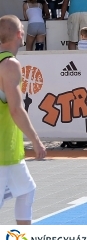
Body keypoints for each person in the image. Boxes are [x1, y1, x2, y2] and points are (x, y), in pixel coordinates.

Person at [0, 15, 47, 224]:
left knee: (27, 191)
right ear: (20, 34)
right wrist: (36, 141)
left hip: (10, 151)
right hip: (3, 150)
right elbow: (16, 109)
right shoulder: (9, 65)